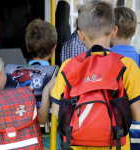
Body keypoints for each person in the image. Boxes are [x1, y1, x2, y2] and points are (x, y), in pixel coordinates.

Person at [51, 1, 140, 150]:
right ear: (114, 31)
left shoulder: (68, 66)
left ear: (81, 35)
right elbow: (137, 114)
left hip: (77, 145)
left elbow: (56, 112)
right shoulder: (127, 65)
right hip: (116, 144)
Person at [25, 18, 61, 150]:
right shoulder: (59, 76)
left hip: (26, 141)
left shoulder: (15, 76)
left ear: (28, 48)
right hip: (52, 143)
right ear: (54, 48)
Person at [110, 6, 140, 150]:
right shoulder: (138, 60)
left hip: (112, 128)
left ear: (111, 31)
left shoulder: (103, 60)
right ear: (134, 32)